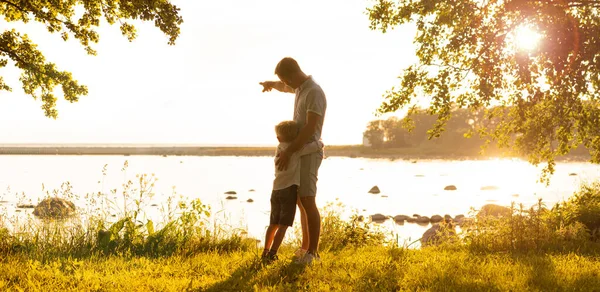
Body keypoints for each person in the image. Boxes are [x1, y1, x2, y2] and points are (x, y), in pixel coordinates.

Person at [259, 57, 327, 264]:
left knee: (308, 200)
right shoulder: (299, 88)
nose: (286, 85)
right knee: (301, 201)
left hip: (307, 151)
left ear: (294, 74)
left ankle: (312, 253)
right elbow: (284, 87)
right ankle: (305, 248)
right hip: (298, 150)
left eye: (285, 80)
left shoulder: (314, 92)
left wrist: (289, 152)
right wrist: (271, 84)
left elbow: (309, 127)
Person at [262, 120, 324, 262]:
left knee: (273, 224)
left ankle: (265, 251)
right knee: (283, 225)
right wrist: (320, 142)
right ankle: (273, 253)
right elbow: (315, 146)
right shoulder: (295, 150)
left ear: (278, 138)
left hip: (276, 190)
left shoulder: (279, 148)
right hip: (289, 191)